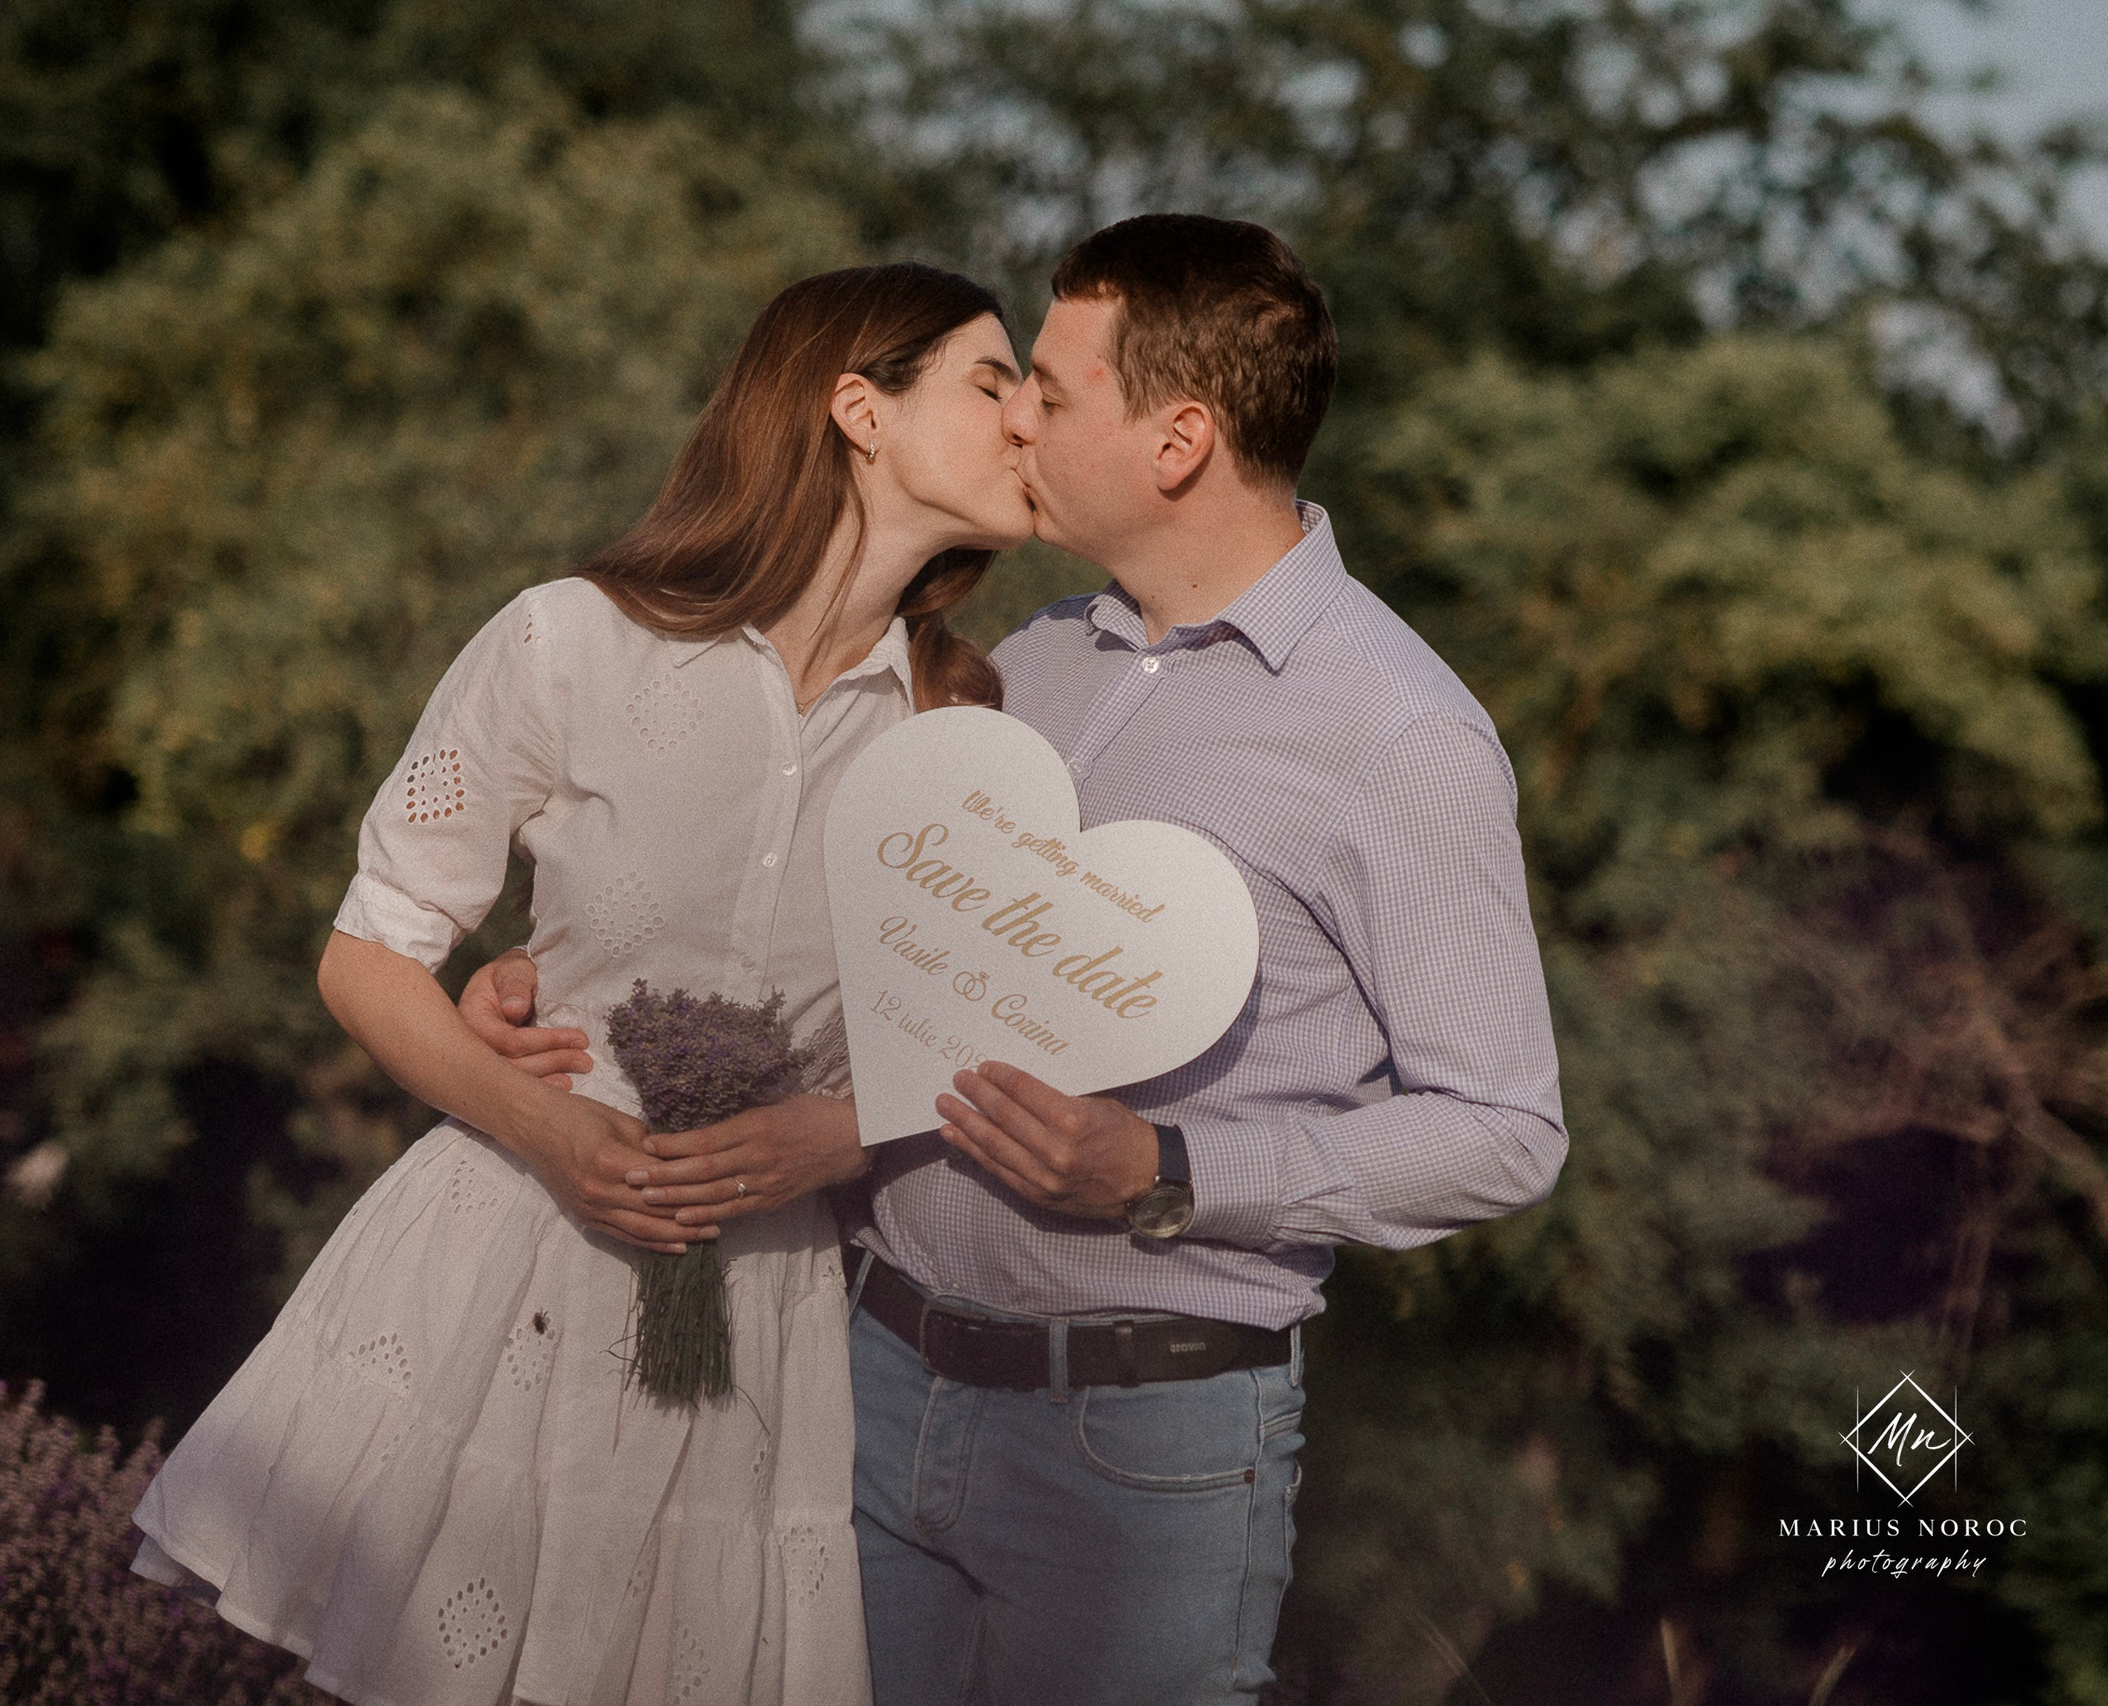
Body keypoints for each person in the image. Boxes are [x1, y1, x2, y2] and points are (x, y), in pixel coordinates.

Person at [465, 214, 1566, 1705]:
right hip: (859, 1379)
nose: (1015, 417)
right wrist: (563, 988)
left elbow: (1505, 1134)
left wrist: (1170, 1169)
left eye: (1050, 387)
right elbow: (837, 954)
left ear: (1177, 440)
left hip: (1143, 1449)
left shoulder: (1402, 737)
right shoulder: (1020, 659)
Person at [127, 261, 1035, 1706]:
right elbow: (369, 951)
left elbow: (986, 1035)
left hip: (755, 1312)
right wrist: (553, 1127)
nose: (1031, 415)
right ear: (860, 407)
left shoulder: (974, 725)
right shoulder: (573, 639)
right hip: (507, 1265)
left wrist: (840, 1131)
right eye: (996, 382)